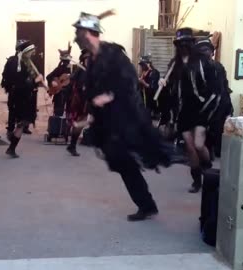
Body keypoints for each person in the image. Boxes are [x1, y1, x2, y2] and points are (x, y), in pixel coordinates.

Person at [73, 10, 173, 221]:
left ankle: (148, 203)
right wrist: (90, 115)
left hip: (126, 118)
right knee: (121, 162)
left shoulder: (114, 54)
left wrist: (108, 96)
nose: (76, 36)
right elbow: (92, 94)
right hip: (108, 122)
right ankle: (147, 204)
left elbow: (129, 82)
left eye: (79, 32)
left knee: (131, 159)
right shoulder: (91, 61)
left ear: (89, 33)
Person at [159, 28, 222, 193]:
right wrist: (163, 84)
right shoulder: (175, 64)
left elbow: (214, 87)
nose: (183, 46)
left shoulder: (203, 62)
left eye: (186, 43)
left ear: (192, 44)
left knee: (199, 144)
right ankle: (196, 180)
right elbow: (172, 89)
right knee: (190, 146)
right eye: (180, 43)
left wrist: (209, 109)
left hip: (201, 108)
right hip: (183, 110)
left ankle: (208, 169)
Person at [2, 40, 43, 158]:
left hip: (14, 97)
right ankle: (11, 146)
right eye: (32, 51)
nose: (34, 53)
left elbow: (6, 81)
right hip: (22, 98)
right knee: (22, 122)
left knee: (19, 121)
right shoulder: (21, 64)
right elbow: (22, 84)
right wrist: (35, 81)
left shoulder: (14, 61)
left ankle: (11, 136)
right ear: (27, 51)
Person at [194, 37, 233, 158]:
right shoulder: (194, 68)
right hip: (202, 107)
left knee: (213, 133)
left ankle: (210, 154)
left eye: (207, 50)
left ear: (211, 52)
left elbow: (223, 88)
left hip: (216, 106)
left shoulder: (218, 67)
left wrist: (228, 109)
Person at [65, 48, 90, 156]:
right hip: (79, 102)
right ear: (83, 60)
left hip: (85, 102)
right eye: (87, 59)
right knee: (79, 123)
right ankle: (71, 144)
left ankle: (71, 144)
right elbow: (76, 85)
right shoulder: (80, 71)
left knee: (80, 123)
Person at [47, 43, 72, 117]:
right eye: (65, 61)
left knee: (68, 112)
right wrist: (53, 82)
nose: (67, 63)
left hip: (69, 94)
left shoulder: (72, 69)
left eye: (67, 61)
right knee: (58, 113)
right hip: (60, 94)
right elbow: (49, 76)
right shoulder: (59, 69)